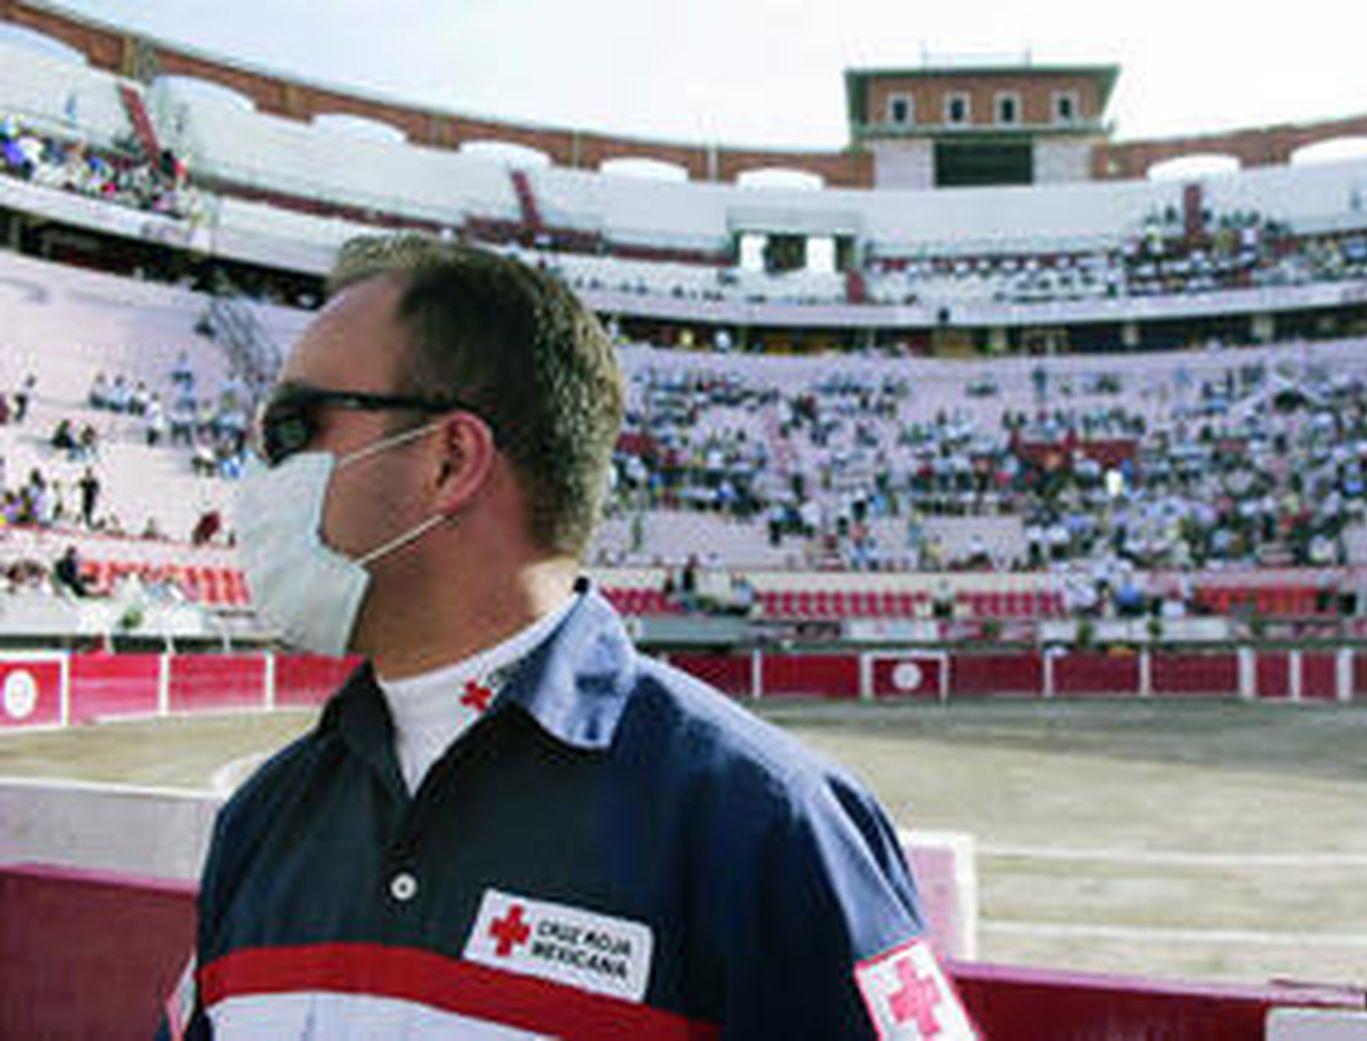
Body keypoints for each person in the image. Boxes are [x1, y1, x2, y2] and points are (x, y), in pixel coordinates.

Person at [159, 235, 973, 1040]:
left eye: (296, 428)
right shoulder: (264, 818)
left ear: (449, 459)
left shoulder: (766, 825)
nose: (262, 475)